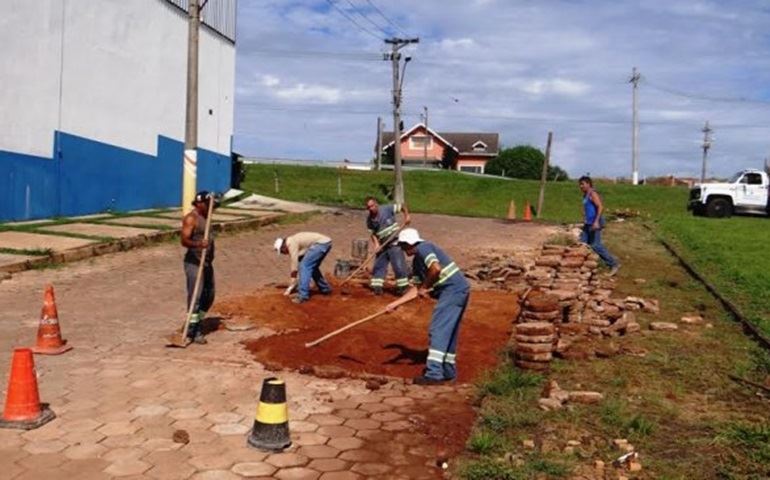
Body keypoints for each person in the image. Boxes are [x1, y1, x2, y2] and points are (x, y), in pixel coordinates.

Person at [388, 228, 470, 385]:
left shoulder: (424, 248)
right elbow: (416, 290)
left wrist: (425, 286)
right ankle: (448, 372)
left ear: (409, 243)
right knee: (449, 331)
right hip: (458, 289)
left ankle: (434, 374)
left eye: (403, 246)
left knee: (438, 329)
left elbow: (435, 269)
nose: (403, 250)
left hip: (452, 290)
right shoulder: (417, 261)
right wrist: (394, 304)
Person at [181, 191, 217, 344]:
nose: (211, 207)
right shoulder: (191, 218)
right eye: (208, 204)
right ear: (200, 204)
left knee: (209, 295)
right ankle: (192, 330)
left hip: (207, 263)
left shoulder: (207, 217)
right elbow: (184, 240)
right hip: (195, 263)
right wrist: (198, 244)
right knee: (195, 297)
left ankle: (197, 322)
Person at [365, 196, 411, 295]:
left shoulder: (386, 209)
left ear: (376, 204)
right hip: (383, 245)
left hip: (394, 242)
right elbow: (373, 234)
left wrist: (407, 216)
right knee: (379, 266)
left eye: (372, 206)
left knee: (398, 265)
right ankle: (377, 287)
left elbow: (402, 206)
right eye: (368, 207)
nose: (371, 209)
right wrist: (377, 245)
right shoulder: (369, 220)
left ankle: (403, 287)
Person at [274, 232, 333, 304]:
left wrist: (293, 279)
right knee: (311, 267)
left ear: (283, 247)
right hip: (325, 243)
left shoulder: (291, 243)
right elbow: (301, 255)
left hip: (321, 244)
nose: (284, 253)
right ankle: (325, 289)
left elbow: (294, 262)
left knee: (304, 266)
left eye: (282, 252)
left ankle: (303, 296)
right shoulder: (292, 240)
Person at [578, 176, 620, 276]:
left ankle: (614, 263)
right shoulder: (585, 195)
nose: (580, 186)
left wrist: (596, 221)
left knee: (595, 245)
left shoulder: (593, 193)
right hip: (588, 222)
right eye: (580, 184)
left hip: (595, 222)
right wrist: (584, 214)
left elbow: (600, 206)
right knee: (582, 243)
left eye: (582, 184)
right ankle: (587, 265)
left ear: (588, 184)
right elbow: (588, 207)